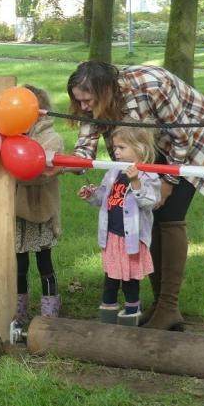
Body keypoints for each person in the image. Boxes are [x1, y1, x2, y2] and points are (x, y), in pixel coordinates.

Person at [67, 61, 204, 330]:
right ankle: (160, 306)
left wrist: (168, 182)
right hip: (146, 146)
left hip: (192, 138)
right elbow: (86, 145)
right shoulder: (97, 106)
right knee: (148, 212)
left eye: (87, 100)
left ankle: (169, 307)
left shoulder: (153, 85)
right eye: (78, 101)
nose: (83, 107)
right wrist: (67, 165)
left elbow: (181, 138)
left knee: (171, 214)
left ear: (105, 92)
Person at [78, 126, 161, 327]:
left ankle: (131, 314)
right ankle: (108, 313)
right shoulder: (114, 171)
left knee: (130, 279)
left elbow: (150, 202)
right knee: (111, 277)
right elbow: (103, 196)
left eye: (122, 147)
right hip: (112, 237)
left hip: (131, 239)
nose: (116, 151)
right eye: (115, 147)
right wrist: (91, 194)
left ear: (140, 149)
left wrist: (135, 182)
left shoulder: (149, 175)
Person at [14, 85, 63, 325]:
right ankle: (19, 313)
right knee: (18, 264)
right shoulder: (9, 135)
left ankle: (49, 314)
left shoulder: (51, 138)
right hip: (16, 213)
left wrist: (16, 168)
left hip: (40, 212)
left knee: (44, 262)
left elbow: (41, 172)